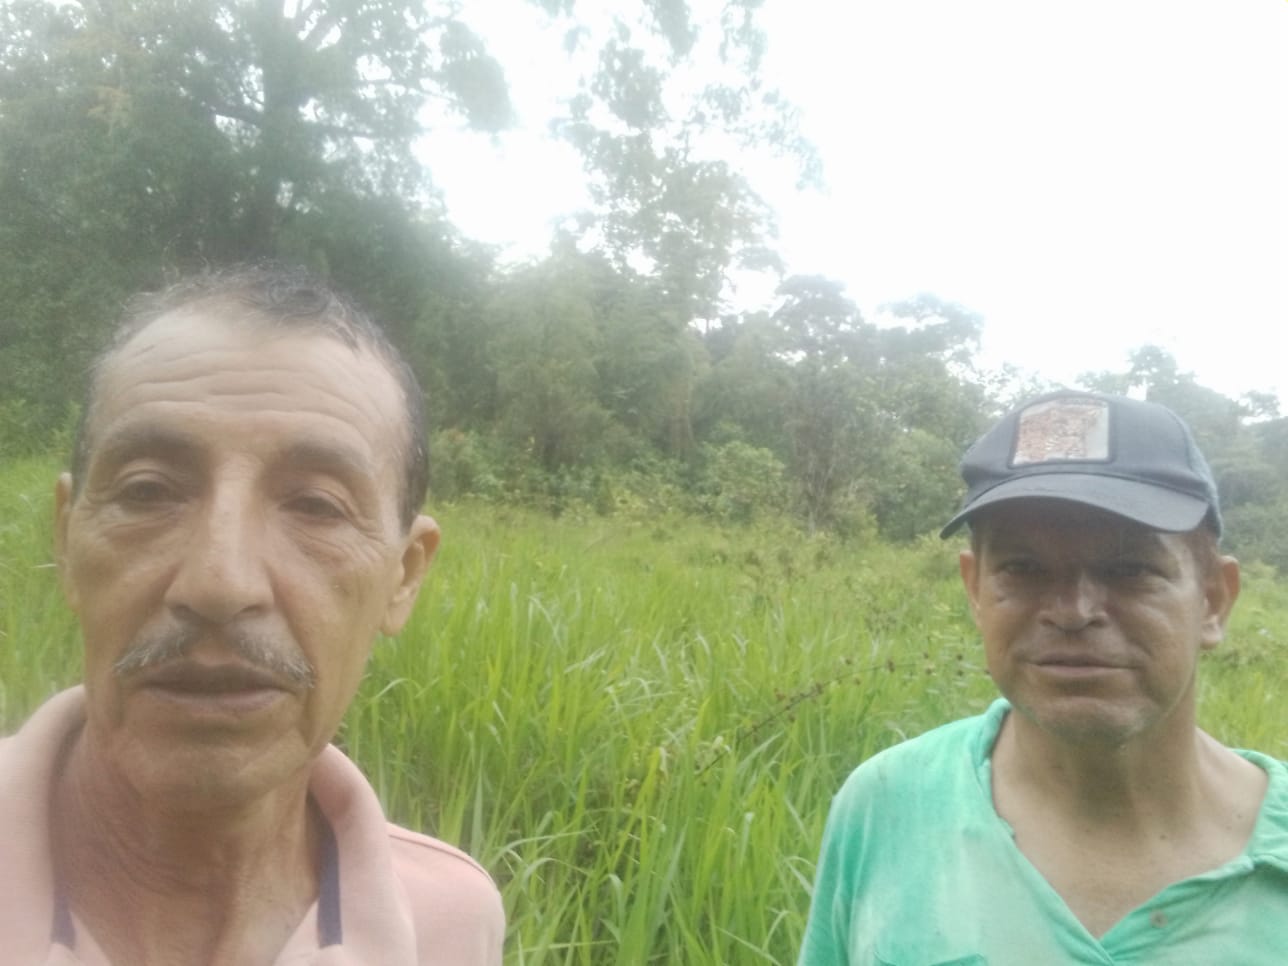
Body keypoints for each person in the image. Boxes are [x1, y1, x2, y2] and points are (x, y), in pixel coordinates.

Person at [0, 266, 505, 964]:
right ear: (66, 541)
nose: (219, 583)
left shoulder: (450, 922)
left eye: (317, 506)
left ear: (404, 576)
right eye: (148, 491)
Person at [799, 390, 1288, 965]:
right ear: (975, 590)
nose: (1073, 611)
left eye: (1130, 569)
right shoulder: (886, 803)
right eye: (1023, 568)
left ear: (1213, 601)